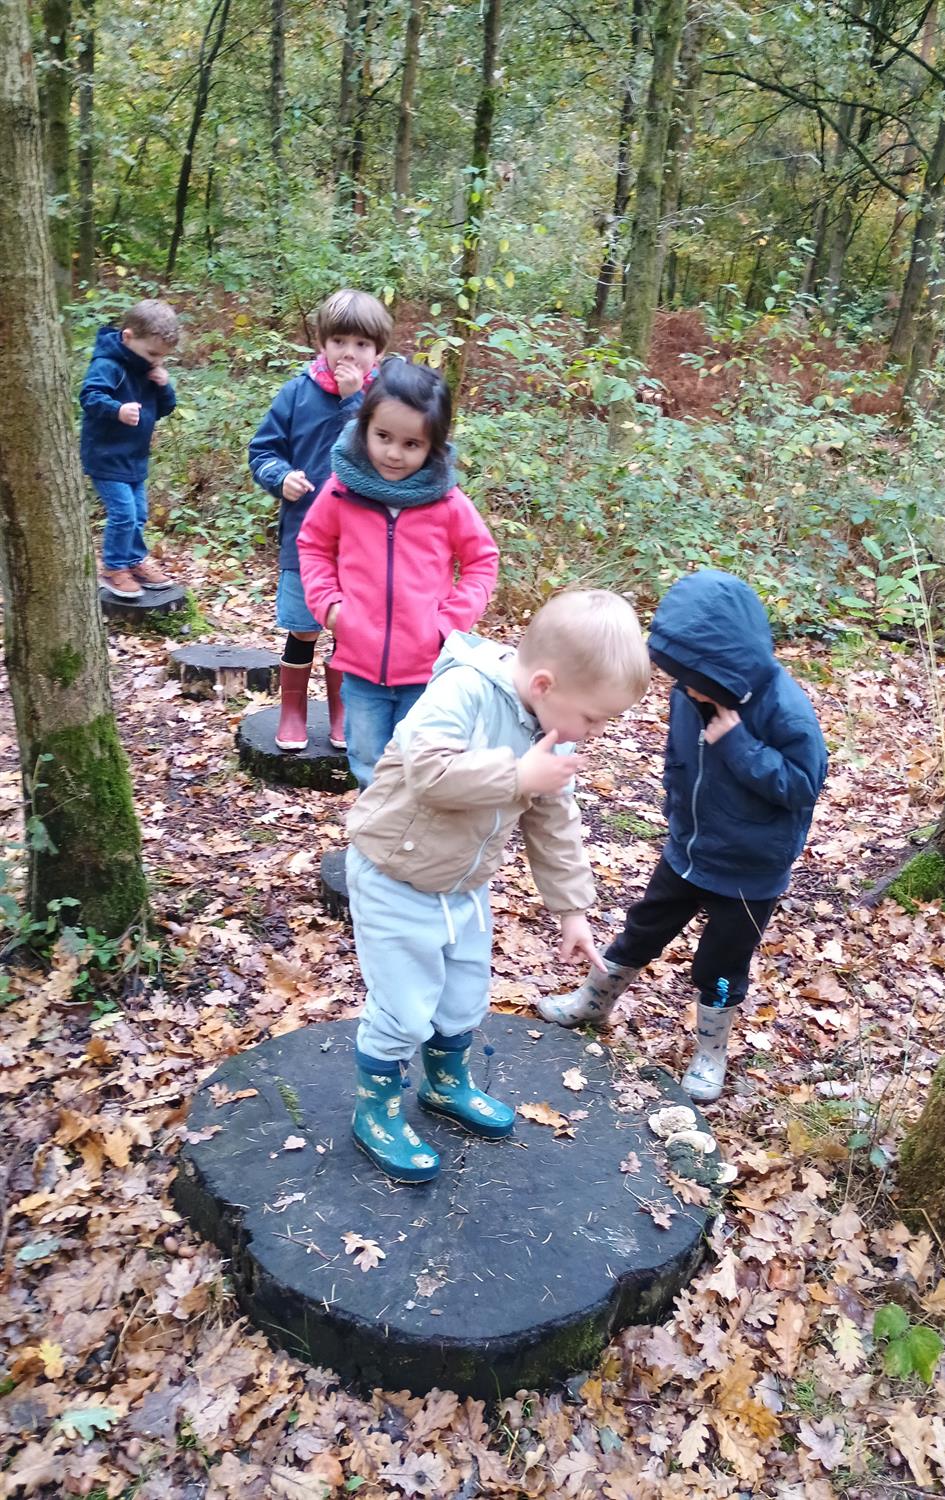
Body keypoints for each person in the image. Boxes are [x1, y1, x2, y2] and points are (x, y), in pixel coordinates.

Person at [345, 591, 651, 1182]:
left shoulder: (551, 725)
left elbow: (553, 818)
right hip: (394, 877)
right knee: (403, 1011)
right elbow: (428, 772)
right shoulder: (463, 691)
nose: (595, 732)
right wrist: (516, 774)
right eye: (594, 718)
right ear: (544, 684)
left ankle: (444, 1085)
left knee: (463, 999)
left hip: (465, 885)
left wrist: (571, 909)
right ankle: (374, 1111)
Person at [538, 570, 828, 1103]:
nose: (686, 687)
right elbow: (678, 758)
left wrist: (738, 744)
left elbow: (802, 786)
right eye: (679, 675)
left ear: (728, 666)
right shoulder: (689, 694)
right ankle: (595, 1001)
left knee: (721, 964)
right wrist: (676, 811)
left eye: (695, 677)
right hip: (688, 851)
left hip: (748, 872)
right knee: (641, 928)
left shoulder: (784, 710)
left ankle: (711, 1049)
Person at [298, 358, 499, 789]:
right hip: (360, 666)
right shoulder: (341, 491)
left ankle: (414, 833)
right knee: (367, 760)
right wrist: (329, 606)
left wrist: (448, 624)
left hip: (427, 669)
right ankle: (374, 829)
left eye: (411, 444)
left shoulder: (447, 503)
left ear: (433, 446)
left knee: (419, 766)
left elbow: (482, 560)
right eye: (383, 436)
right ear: (365, 427)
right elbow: (313, 546)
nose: (393, 453)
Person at [248, 289, 393, 752]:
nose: (349, 353)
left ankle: (342, 712)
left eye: (362, 344)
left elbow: (382, 457)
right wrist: (280, 477)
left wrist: (354, 401)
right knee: (304, 625)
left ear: (378, 353)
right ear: (322, 344)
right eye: (339, 342)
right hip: (304, 535)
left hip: (364, 541)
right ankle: (292, 712)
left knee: (349, 627)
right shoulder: (297, 392)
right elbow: (263, 450)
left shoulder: (384, 400)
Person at [79, 299, 180, 600]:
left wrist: (164, 385)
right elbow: (90, 396)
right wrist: (117, 409)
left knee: (138, 514)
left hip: (134, 457)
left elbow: (165, 408)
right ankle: (113, 568)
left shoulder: (147, 368)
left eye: (162, 357)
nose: (156, 361)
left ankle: (134, 560)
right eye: (152, 354)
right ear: (128, 337)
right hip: (106, 456)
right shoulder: (108, 365)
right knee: (123, 513)